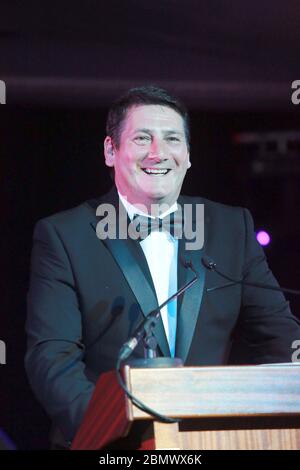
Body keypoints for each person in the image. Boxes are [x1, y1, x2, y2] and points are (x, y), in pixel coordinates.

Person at [25, 86, 300, 449]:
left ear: (187, 156)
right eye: (142, 138)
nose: (159, 153)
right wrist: (106, 431)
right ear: (111, 151)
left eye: (172, 139)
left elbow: (280, 335)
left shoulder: (232, 227)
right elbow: (52, 358)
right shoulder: (65, 235)